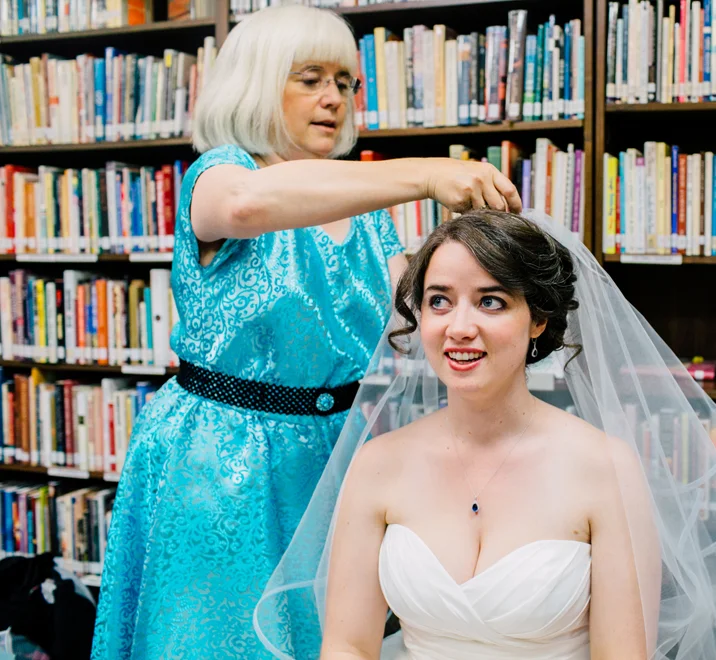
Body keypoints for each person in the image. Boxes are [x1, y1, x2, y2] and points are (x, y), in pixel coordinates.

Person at [90, 5, 520, 660]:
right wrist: (427, 173)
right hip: (222, 460)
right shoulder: (218, 175)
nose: (333, 99)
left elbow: (421, 312)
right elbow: (246, 206)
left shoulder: (368, 215)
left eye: (346, 83)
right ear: (259, 83)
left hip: (338, 459)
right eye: (310, 78)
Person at [253, 210, 716, 659]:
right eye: (439, 302)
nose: (460, 327)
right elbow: (348, 647)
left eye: (491, 301)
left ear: (539, 320)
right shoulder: (378, 464)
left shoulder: (605, 468)